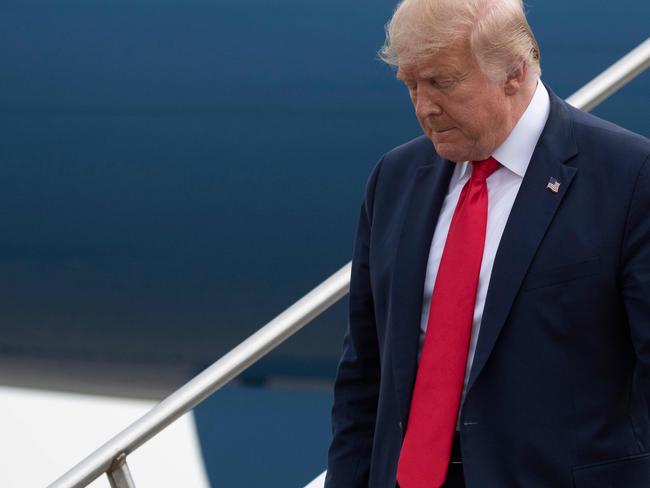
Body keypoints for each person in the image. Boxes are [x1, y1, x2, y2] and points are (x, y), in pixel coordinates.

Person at [325, 0, 650, 487]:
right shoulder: (394, 179)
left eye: (443, 82)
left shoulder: (628, 176)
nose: (424, 106)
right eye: (411, 84)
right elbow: (364, 373)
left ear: (514, 72)